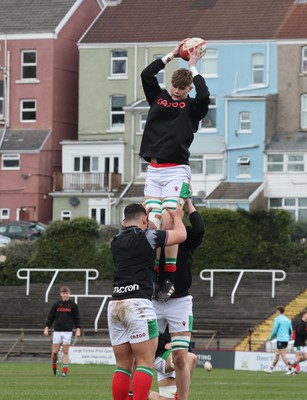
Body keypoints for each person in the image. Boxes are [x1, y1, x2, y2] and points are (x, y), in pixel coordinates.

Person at [139, 40, 210, 300]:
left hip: (177, 170)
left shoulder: (192, 107)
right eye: (175, 87)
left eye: (183, 89)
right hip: (154, 170)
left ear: (188, 87)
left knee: (170, 218)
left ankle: (168, 277)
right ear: (170, 85)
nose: (178, 92)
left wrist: (193, 66)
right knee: (152, 221)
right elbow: (147, 75)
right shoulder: (158, 97)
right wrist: (171, 55)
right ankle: (154, 273)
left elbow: (204, 96)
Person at [108, 201, 187, 400]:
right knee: (145, 363)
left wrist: (144, 216)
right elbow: (181, 235)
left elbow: (131, 229)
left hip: (115, 304)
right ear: (144, 220)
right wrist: (177, 217)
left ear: (123, 221)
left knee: (123, 366)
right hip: (138, 305)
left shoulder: (115, 240)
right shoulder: (149, 236)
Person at [153, 198, 205, 400]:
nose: (172, 221)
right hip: (153, 302)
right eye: (168, 218)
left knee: (183, 358)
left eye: (175, 218)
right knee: (137, 353)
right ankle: (136, 394)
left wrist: (189, 202)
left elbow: (199, 228)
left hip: (180, 301)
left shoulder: (185, 239)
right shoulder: (152, 238)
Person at [148, 328, 197, 400]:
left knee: (167, 397)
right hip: (161, 354)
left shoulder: (183, 319)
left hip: (175, 356)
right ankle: (180, 395)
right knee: (191, 358)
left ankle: (145, 394)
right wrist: (163, 345)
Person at [43, 286, 81, 377]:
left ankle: (64, 371)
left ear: (69, 294)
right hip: (57, 331)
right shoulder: (56, 305)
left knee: (65, 351)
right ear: (61, 294)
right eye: (63, 293)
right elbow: (51, 317)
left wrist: (78, 329)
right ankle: (55, 368)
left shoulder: (73, 305)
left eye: (66, 293)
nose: (65, 295)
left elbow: (77, 318)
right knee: (55, 352)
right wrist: (46, 327)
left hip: (67, 331)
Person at [264, 305, 292, 374]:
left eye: (276, 311)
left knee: (283, 355)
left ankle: (290, 369)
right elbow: (290, 330)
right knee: (277, 353)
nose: (276, 312)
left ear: (278, 311)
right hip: (286, 339)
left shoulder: (277, 319)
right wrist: (288, 337)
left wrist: (270, 338)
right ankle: (270, 369)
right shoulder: (288, 319)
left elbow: (274, 330)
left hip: (280, 339)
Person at [289, 309, 307, 375]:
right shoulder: (300, 323)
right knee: (298, 357)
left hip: (303, 343)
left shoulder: (305, 323)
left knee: (305, 357)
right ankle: (292, 370)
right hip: (298, 343)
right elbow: (299, 332)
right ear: (304, 315)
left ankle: (293, 364)